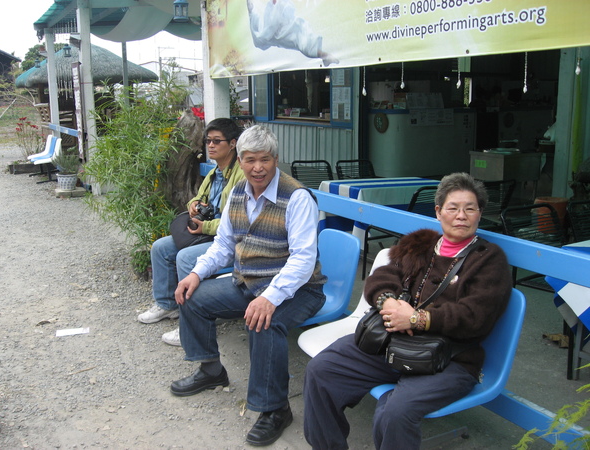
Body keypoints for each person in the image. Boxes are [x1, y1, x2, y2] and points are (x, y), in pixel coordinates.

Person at [303, 172, 512, 450]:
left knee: (395, 412)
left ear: (480, 214)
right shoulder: (421, 244)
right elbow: (380, 278)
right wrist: (389, 303)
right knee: (322, 371)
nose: (461, 215)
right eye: (453, 208)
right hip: (395, 344)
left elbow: (476, 317)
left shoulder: (488, 259)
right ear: (438, 212)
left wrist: (418, 318)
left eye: (470, 208)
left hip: (450, 359)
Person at [170, 124, 327, 446]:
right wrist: (196, 274)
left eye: (265, 159)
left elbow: (302, 261)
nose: (258, 168)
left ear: (276, 159)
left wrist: (269, 298)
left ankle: (275, 408)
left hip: (300, 290)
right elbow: (223, 246)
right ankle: (211, 370)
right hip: (249, 284)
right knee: (192, 296)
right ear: (239, 160)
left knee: (263, 323)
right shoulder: (238, 194)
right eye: (250, 159)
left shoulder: (297, 197)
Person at [137, 118, 245, 347]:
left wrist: (204, 226)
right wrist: (194, 205)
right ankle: (167, 305)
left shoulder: (241, 176)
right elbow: (199, 197)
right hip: (207, 233)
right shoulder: (216, 172)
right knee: (160, 248)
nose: (211, 146)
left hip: (230, 240)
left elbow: (236, 223)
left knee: (185, 257)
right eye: (208, 141)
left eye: (217, 141)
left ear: (233, 144)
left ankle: (191, 324)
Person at [247, 0, 338, 66]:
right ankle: (325, 56)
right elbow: (267, 30)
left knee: (304, 45)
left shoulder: (282, 7)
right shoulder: (269, 11)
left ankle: (325, 56)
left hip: (287, 30)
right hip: (280, 33)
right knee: (303, 44)